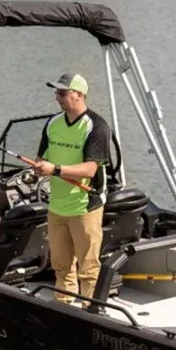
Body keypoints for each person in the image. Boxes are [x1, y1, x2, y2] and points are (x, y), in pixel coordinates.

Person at [33, 73, 112, 306]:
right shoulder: (52, 124)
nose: (57, 97)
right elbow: (41, 157)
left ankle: (92, 310)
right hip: (56, 206)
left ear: (79, 95)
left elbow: (89, 169)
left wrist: (54, 170)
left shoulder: (97, 127)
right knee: (60, 265)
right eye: (56, 92)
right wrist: (38, 168)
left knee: (88, 268)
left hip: (84, 207)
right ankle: (64, 308)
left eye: (62, 93)